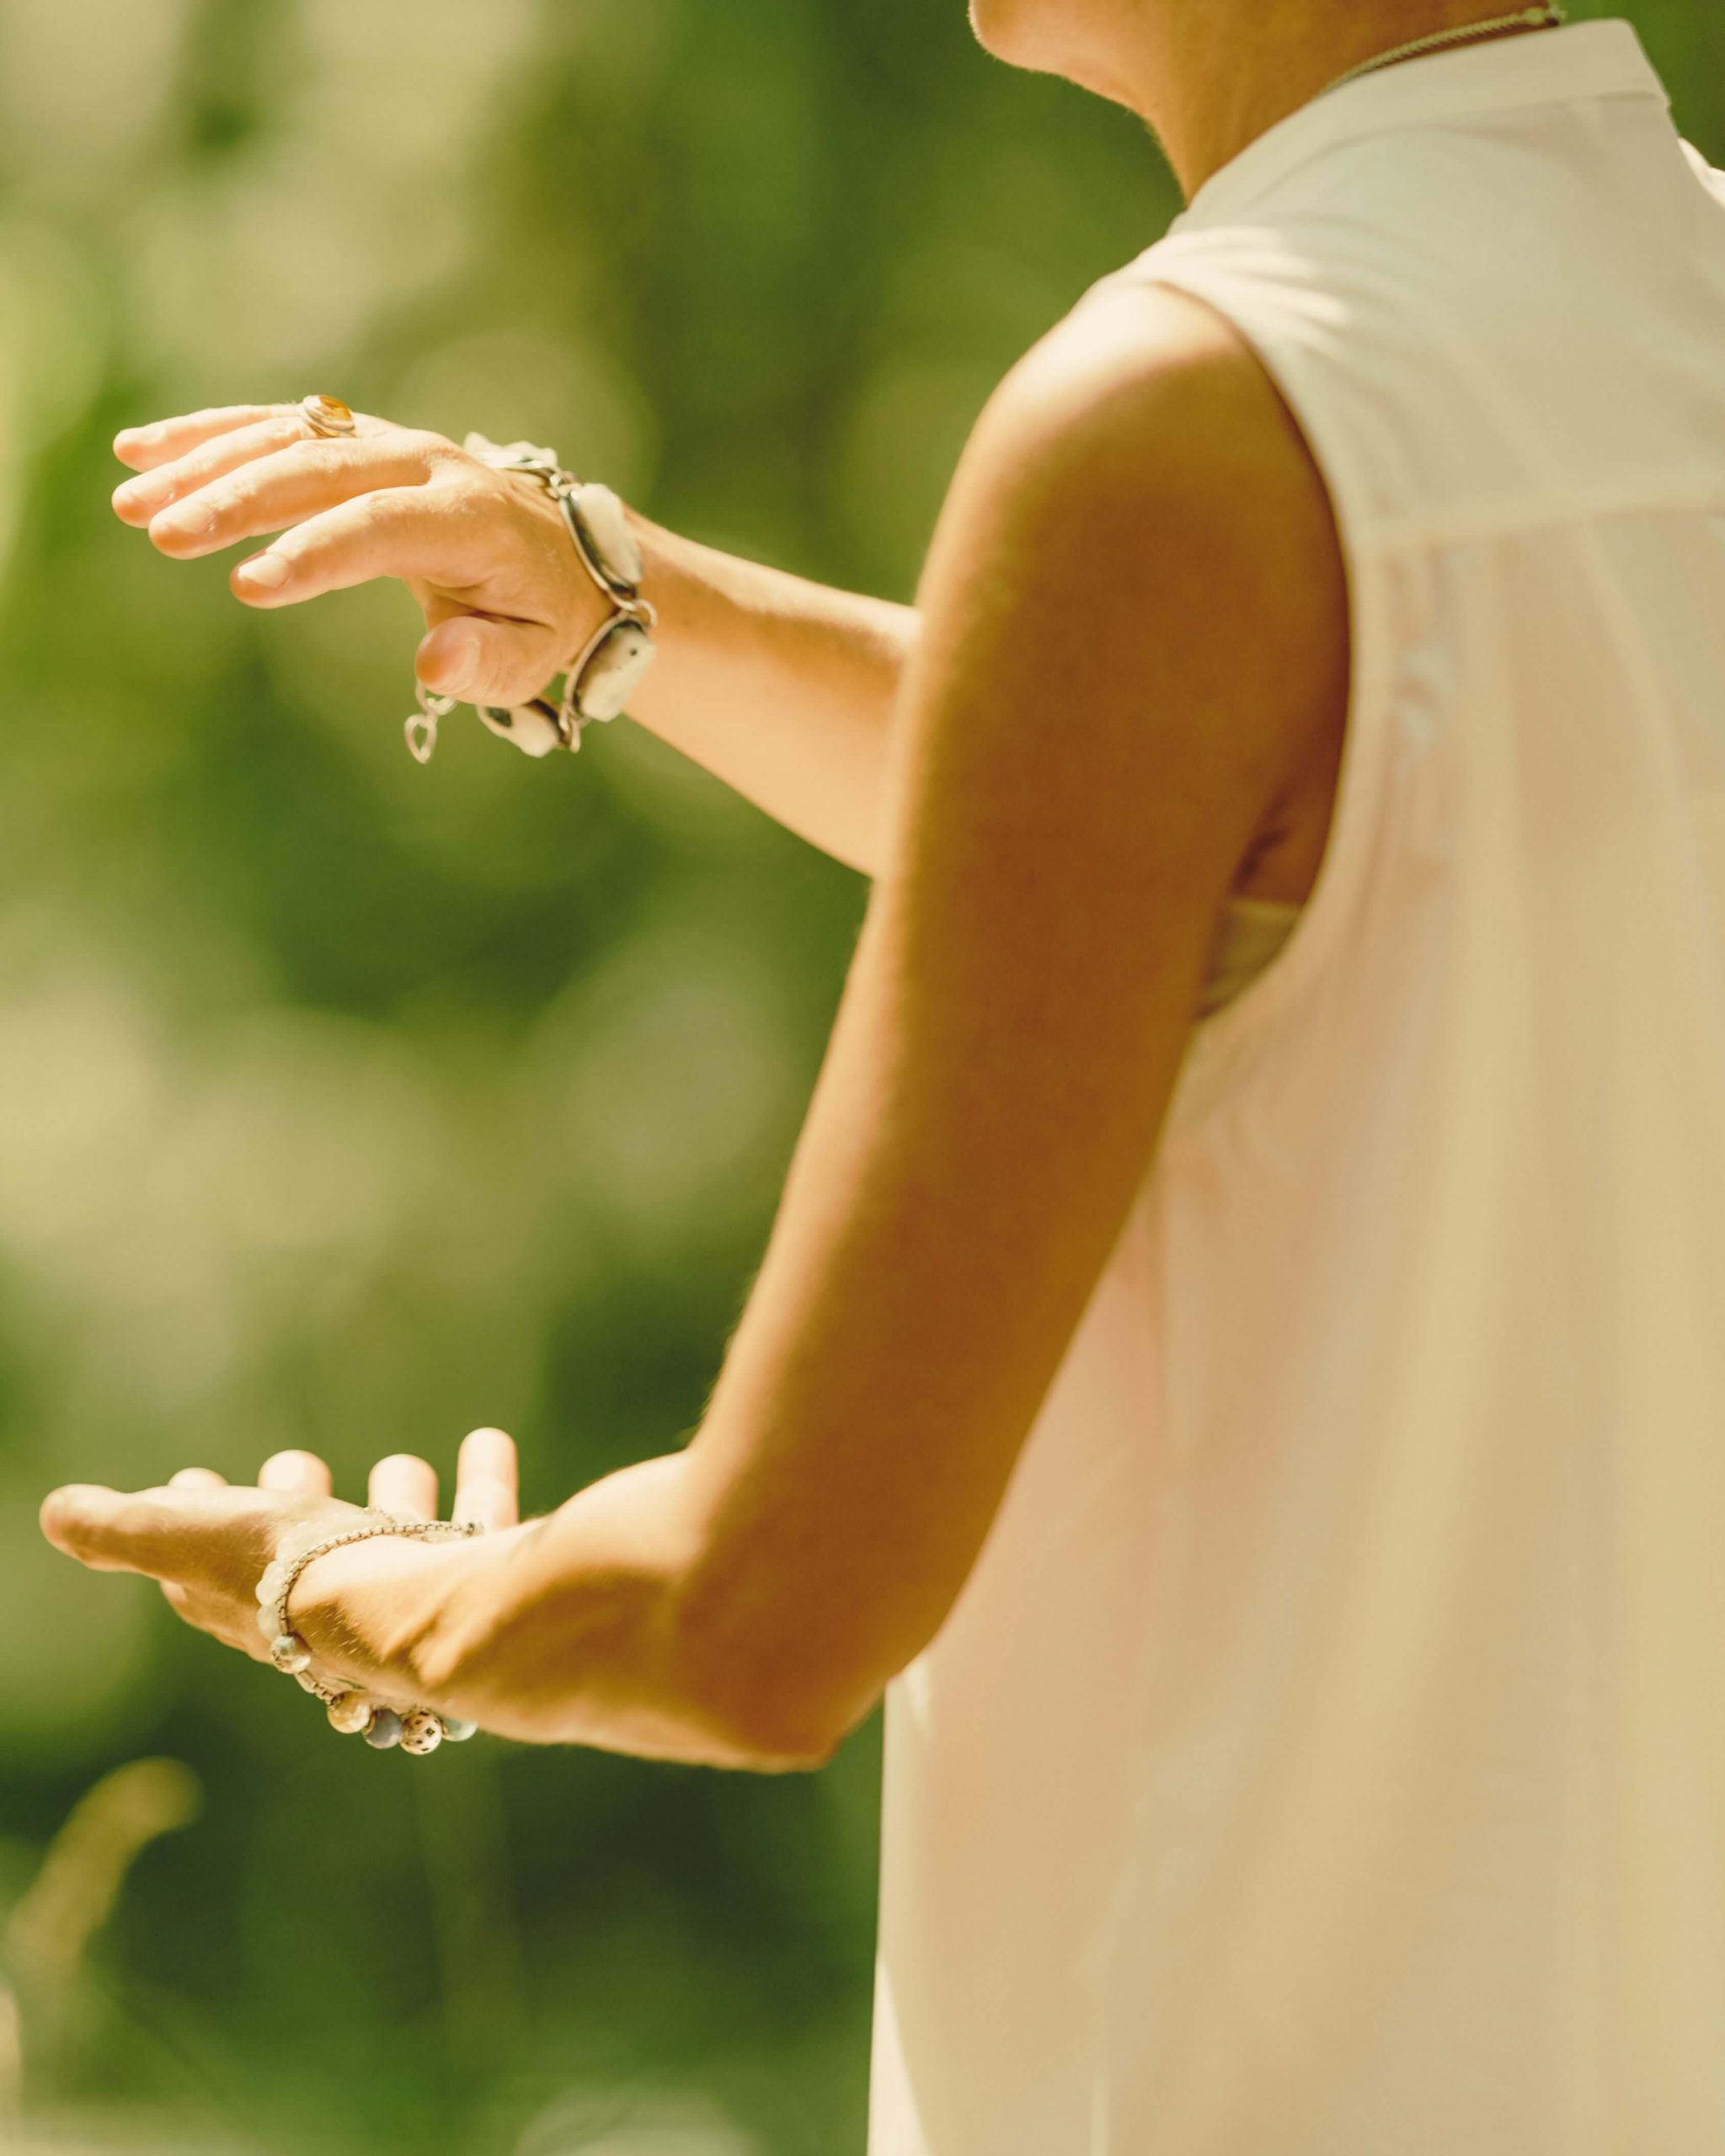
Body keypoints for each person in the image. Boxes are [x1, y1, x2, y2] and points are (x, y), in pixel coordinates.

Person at [38, 0, 1725, 2145]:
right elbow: (1289, 808)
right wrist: (635, 605)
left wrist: (341, 1588)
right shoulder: (1650, 314)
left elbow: (747, 1616)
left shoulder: (1188, 410)